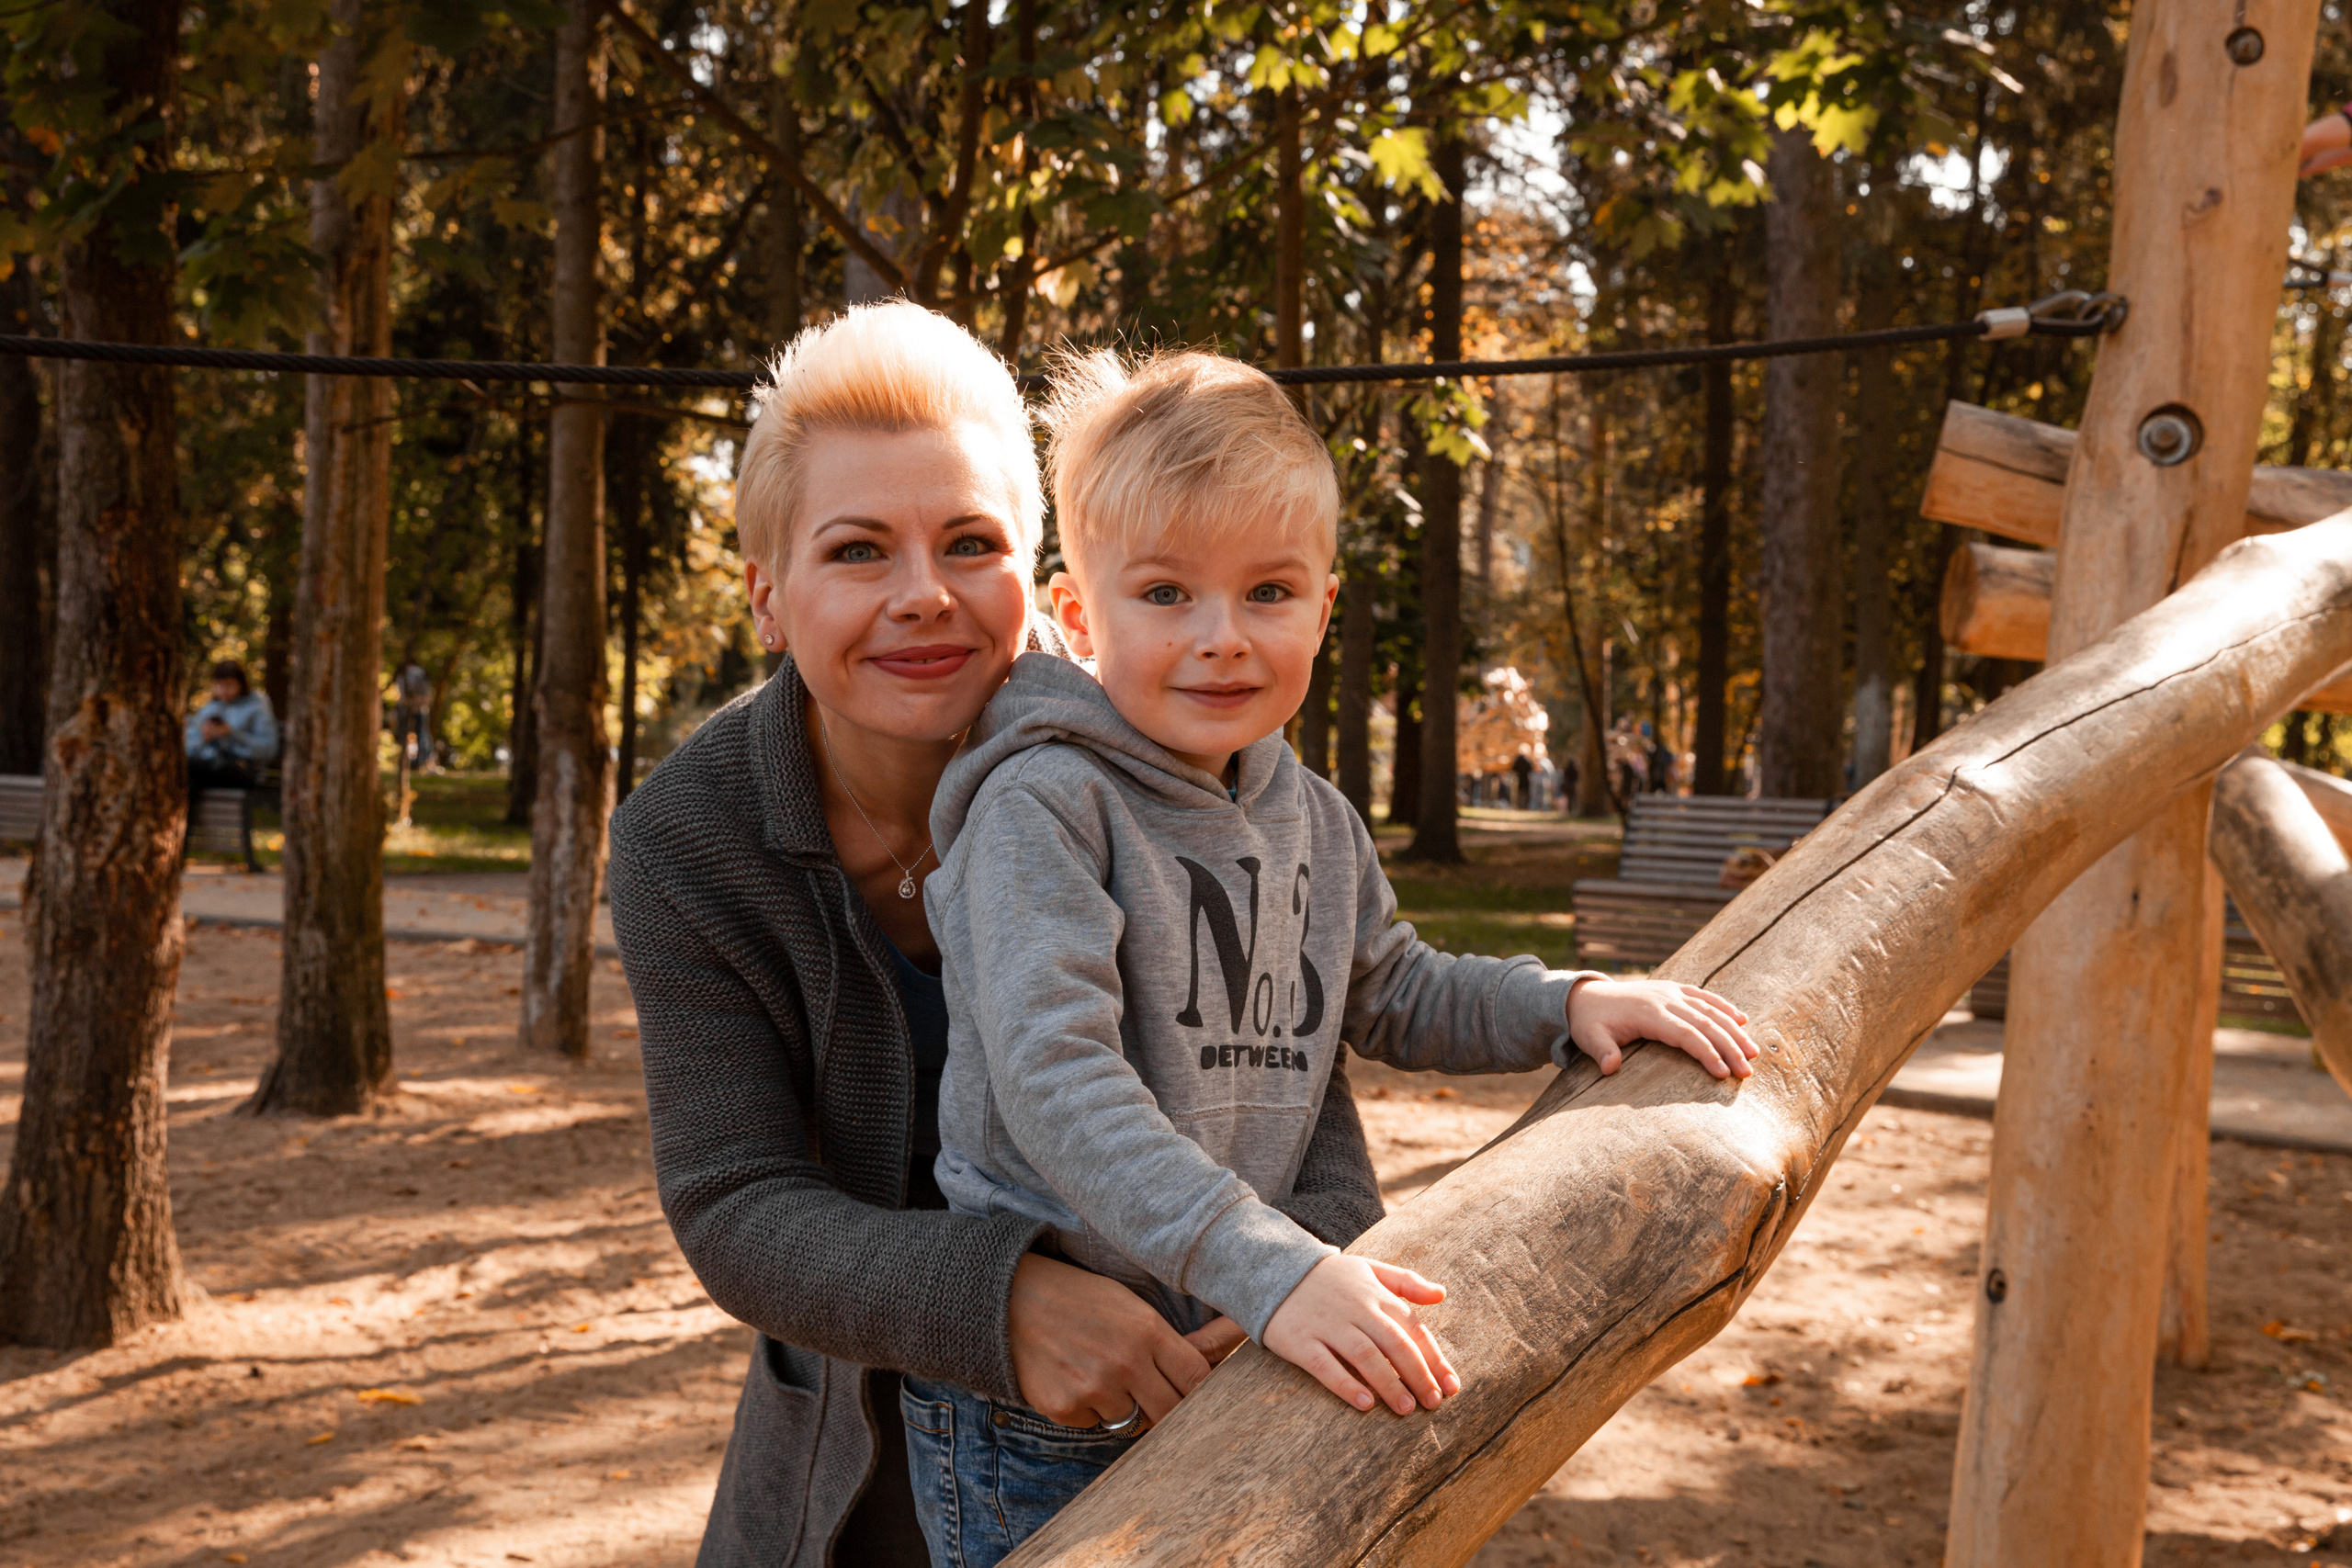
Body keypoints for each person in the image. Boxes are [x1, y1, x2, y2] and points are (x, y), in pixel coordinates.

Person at [904, 350, 1759, 1568]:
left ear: (1324, 602)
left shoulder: (1311, 814)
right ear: (1080, 613)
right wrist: (1267, 1265)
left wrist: (1567, 1000)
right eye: (1163, 594)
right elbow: (1058, 1085)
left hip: (1244, 1333)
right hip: (1054, 1400)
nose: (1221, 639)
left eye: (1268, 591)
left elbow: (1394, 988)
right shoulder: (1042, 806)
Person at [604, 304, 1386, 1568]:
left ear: (1038, 574)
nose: (925, 596)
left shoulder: (1162, 748)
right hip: (867, 1451)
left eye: (970, 542)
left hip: (1213, 1379)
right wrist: (1002, 1296)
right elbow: (733, 1198)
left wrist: (1301, 1255)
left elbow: (1293, 1062)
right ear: (767, 594)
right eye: (859, 549)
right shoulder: (691, 838)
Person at [184, 659, 278, 795]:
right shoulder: (210, 708)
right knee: (185, 775)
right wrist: (205, 737)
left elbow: (269, 749)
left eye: (229, 685)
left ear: (241, 683)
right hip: (208, 766)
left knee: (188, 772)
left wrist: (231, 734)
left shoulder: (256, 705)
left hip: (242, 769)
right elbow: (189, 746)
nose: (223, 691)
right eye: (219, 685)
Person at [393, 661, 435, 772]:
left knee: (421, 734)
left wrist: (416, 704)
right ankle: (411, 761)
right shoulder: (408, 674)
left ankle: (420, 761)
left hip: (417, 708)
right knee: (418, 734)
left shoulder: (414, 673)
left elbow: (422, 693)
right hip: (410, 707)